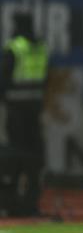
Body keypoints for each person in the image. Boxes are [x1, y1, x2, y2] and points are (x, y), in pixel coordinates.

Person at [0, 14, 49, 217]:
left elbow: (3, 80)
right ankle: (30, 204)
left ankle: (12, 204)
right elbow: (44, 79)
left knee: (15, 159)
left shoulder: (14, 48)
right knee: (35, 161)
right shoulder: (41, 48)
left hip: (16, 114)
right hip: (34, 113)